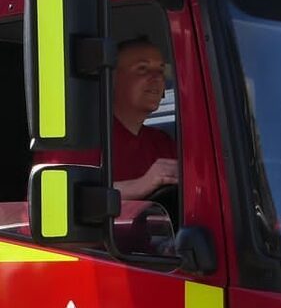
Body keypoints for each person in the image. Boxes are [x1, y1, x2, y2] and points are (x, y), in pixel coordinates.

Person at [38, 37, 178, 202]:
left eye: (160, 70)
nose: (158, 78)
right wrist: (141, 185)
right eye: (142, 69)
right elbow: (54, 199)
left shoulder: (161, 142)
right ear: (111, 78)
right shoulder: (78, 138)